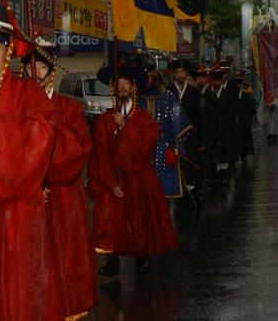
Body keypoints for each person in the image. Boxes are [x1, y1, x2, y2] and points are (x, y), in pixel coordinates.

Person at [0, 6, 58, 321]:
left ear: (7, 54)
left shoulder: (28, 94)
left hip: (16, 214)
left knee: (14, 295)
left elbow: (41, 137)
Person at [23, 43, 96, 321]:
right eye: (30, 68)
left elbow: (77, 152)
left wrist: (47, 123)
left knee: (64, 257)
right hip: (28, 197)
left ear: (52, 71)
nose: (36, 74)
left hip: (62, 197)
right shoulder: (19, 106)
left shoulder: (70, 107)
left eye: (42, 67)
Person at [89, 60, 177, 277]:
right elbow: (100, 155)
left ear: (134, 88)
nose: (122, 88)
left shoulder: (144, 119)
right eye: (118, 84)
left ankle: (141, 256)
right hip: (112, 178)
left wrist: (125, 128)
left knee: (139, 218)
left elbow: (146, 147)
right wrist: (110, 183)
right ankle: (112, 259)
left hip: (138, 177)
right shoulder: (103, 121)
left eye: (126, 84)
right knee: (111, 221)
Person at [134, 54, 192, 200]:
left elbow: (178, 123)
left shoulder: (167, 96)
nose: (146, 79)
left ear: (154, 75)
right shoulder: (133, 99)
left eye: (149, 75)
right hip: (138, 150)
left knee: (162, 193)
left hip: (162, 147)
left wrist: (175, 146)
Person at [170, 60, 207, 201]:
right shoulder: (169, 91)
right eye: (177, 72)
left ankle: (194, 191)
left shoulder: (194, 92)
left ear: (186, 74)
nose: (180, 74)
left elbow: (201, 116)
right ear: (174, 74)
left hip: (192, 135)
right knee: (176, 165)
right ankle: (179, 194)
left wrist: (202, 139)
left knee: (191, 163)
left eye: (182, 72)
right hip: (174, 136)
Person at [259, 80, 278, 146]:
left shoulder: (277, 90)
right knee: (268, 125)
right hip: (267, 111)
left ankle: (274, 137)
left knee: (275, 125)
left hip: (275, 111)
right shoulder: (265, 91)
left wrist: (274, 104)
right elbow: (263, 101)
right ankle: (269, 137)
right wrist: (267, 104)